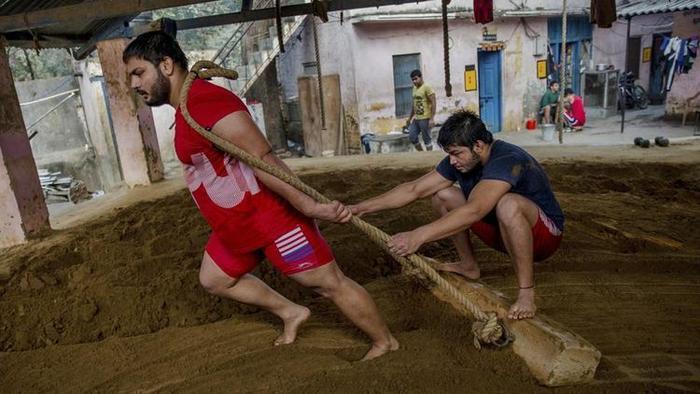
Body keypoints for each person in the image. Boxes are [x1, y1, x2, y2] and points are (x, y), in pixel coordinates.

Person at [122, 31, 398, 360]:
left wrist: (308, 204)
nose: (135, 84)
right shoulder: (188, 107)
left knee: (328, 283)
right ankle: (291, 312)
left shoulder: (207, 101)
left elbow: (262, 157)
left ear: (165, 65)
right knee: (214, 279)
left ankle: (385, 342)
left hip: (274, 221)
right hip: (237, 225)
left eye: (138, 73)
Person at [350, 110, 564, 320]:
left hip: (542, 237)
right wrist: (360, 208)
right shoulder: (462, 162)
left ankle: (526, 292)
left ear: (478, 146)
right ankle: (468, 265)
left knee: (508, 204)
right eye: (449, 154)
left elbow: (475, 210)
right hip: (500, 230)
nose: (452, 161)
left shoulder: (507, 159)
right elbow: (414, 189)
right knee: (442, 194)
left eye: (456, 153)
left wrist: (418, 235)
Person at [405, 70, 436, 151]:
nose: (414, 81)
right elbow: (414, 104)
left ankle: (429, 158)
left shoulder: (427, 87)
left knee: (426, 139)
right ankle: (422, 154)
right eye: (413, 80)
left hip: (425, 118)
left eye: (416, 79)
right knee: (412, 137)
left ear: (421, 77)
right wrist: (409, 118)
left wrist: (432, 118)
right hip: (416, 118)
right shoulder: (414, 88)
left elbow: (433, 102)